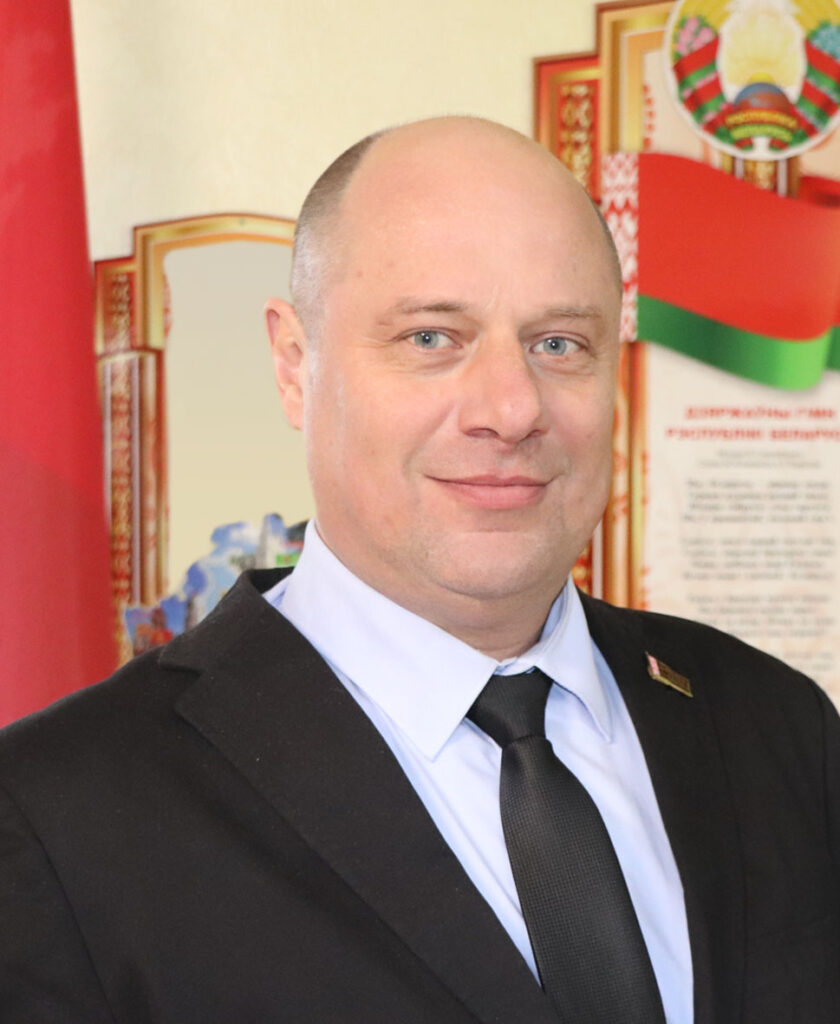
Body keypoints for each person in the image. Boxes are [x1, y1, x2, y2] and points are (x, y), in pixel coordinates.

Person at [1, 117, 838, 1024]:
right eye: (432, 338)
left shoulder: (777, 724)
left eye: (559, 343)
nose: (511, 408)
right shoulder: (56, 814)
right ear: (294, 365)